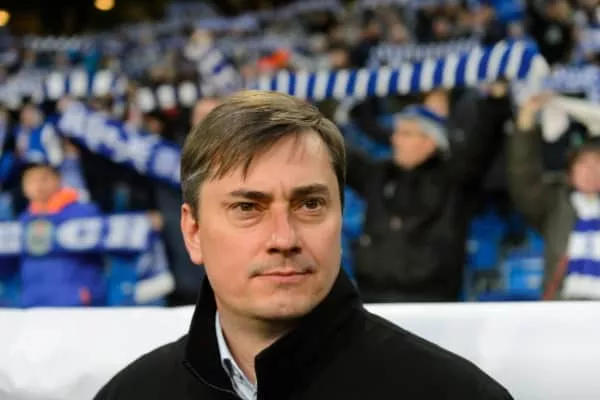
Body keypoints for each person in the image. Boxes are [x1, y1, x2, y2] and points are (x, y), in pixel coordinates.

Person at [95, 90, 512, 400]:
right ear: (193, 232)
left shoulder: (456, 394)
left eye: (310, 204)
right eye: (247, 208)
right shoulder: (129, 395)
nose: (284, 239)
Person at [347, 86, 512, 302]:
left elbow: (482, 142)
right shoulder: (379, 175)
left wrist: (496, 101)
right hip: (372, 299)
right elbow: (337, 155)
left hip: (431, 301)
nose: (395, 140)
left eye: (406, 134)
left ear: (430, 141)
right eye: (397, 132)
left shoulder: (454, 180)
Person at [508, 93, 600, 300]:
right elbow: (523, 175)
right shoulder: (555, 204)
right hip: (562, 307)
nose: (591, 171)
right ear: (571, 171)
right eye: (584, 163)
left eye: (598, 163)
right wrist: (525, 124)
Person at [19, 162, 106, 307]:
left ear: (58, 180)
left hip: (75, 301)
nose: (38, 186)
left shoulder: (84, 212)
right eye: (31, 181)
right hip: (33, 301)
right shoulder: (22, 220)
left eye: (44, 179)